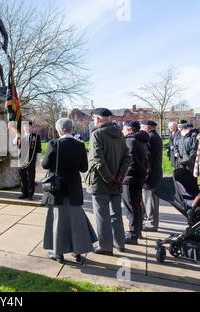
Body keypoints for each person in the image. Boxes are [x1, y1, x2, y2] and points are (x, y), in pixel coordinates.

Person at [42, 118, 97, 264]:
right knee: (76, 219)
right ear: (72, 129)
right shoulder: (79, 145)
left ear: (59, 130)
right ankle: (77, 251)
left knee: (59, 220)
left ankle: (58, 253)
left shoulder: (54, 143)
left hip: (57, 188)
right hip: (73, 186)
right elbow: (84, 168)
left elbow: (45, 164)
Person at [86, 108, 130, 256]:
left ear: (98, 119)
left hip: (101, 181)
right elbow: (127, 158)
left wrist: (111, 179)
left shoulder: (97, 134)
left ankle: (105, 247)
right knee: (116, 213)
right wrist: (119, 177)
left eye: (94, 119)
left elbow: (97, 160)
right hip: (115, 181)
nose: (93, 121)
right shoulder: (119, 133)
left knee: (102, 215)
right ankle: (120, 243)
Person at [121, 121, 150, 244]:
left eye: (124, 128)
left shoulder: (130, 140)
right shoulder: (141, 140)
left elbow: (132, 162)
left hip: (131, 178)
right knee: (136, 205)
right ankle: (137, 231)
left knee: (131, 207)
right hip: (137, 177)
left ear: (129, 129)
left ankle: (133, 234)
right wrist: (145, 171)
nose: (122, 130)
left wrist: (142, 171)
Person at [140, 120, 163, 232]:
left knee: (150, 200)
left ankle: (151, 223)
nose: (140, 128)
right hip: (154, 172)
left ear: (147, 127)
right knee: (148, 198)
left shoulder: (150, 137)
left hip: (151, 174)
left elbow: (147, 156)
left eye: (141, 127)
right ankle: (149, 221)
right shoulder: (154, 136)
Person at [18, 121, 42, 200]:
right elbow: (17, 147)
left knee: (31, 178)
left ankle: (30, 194)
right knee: (23, 177)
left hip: (31, 160)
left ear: (31, 127)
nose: (26, 128)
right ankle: (24, 193)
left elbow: (38, 149)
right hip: (22, 160)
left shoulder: (36, 136)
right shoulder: (21, 136)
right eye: (25, 126)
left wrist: (38, 161)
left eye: (28, 126)